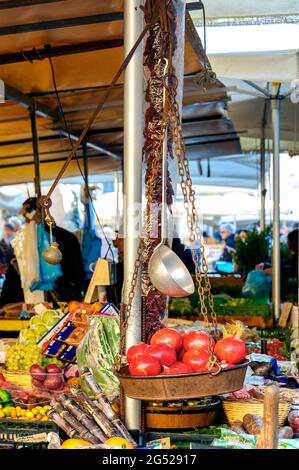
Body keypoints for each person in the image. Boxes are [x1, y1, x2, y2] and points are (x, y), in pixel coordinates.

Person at [21, 197, 85, 302]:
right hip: (42, 294)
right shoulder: (31, 240)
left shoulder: (59, 237)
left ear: (38, 213)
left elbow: (76, 270)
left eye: (27, 215)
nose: (26, 221)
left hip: (64, 293)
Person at [256, 229, 298, 301]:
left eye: (288, 241)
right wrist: (266, 265)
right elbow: (287, 264)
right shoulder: (293, 257)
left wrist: (276, 270)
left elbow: (293, 269)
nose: (286, 243)